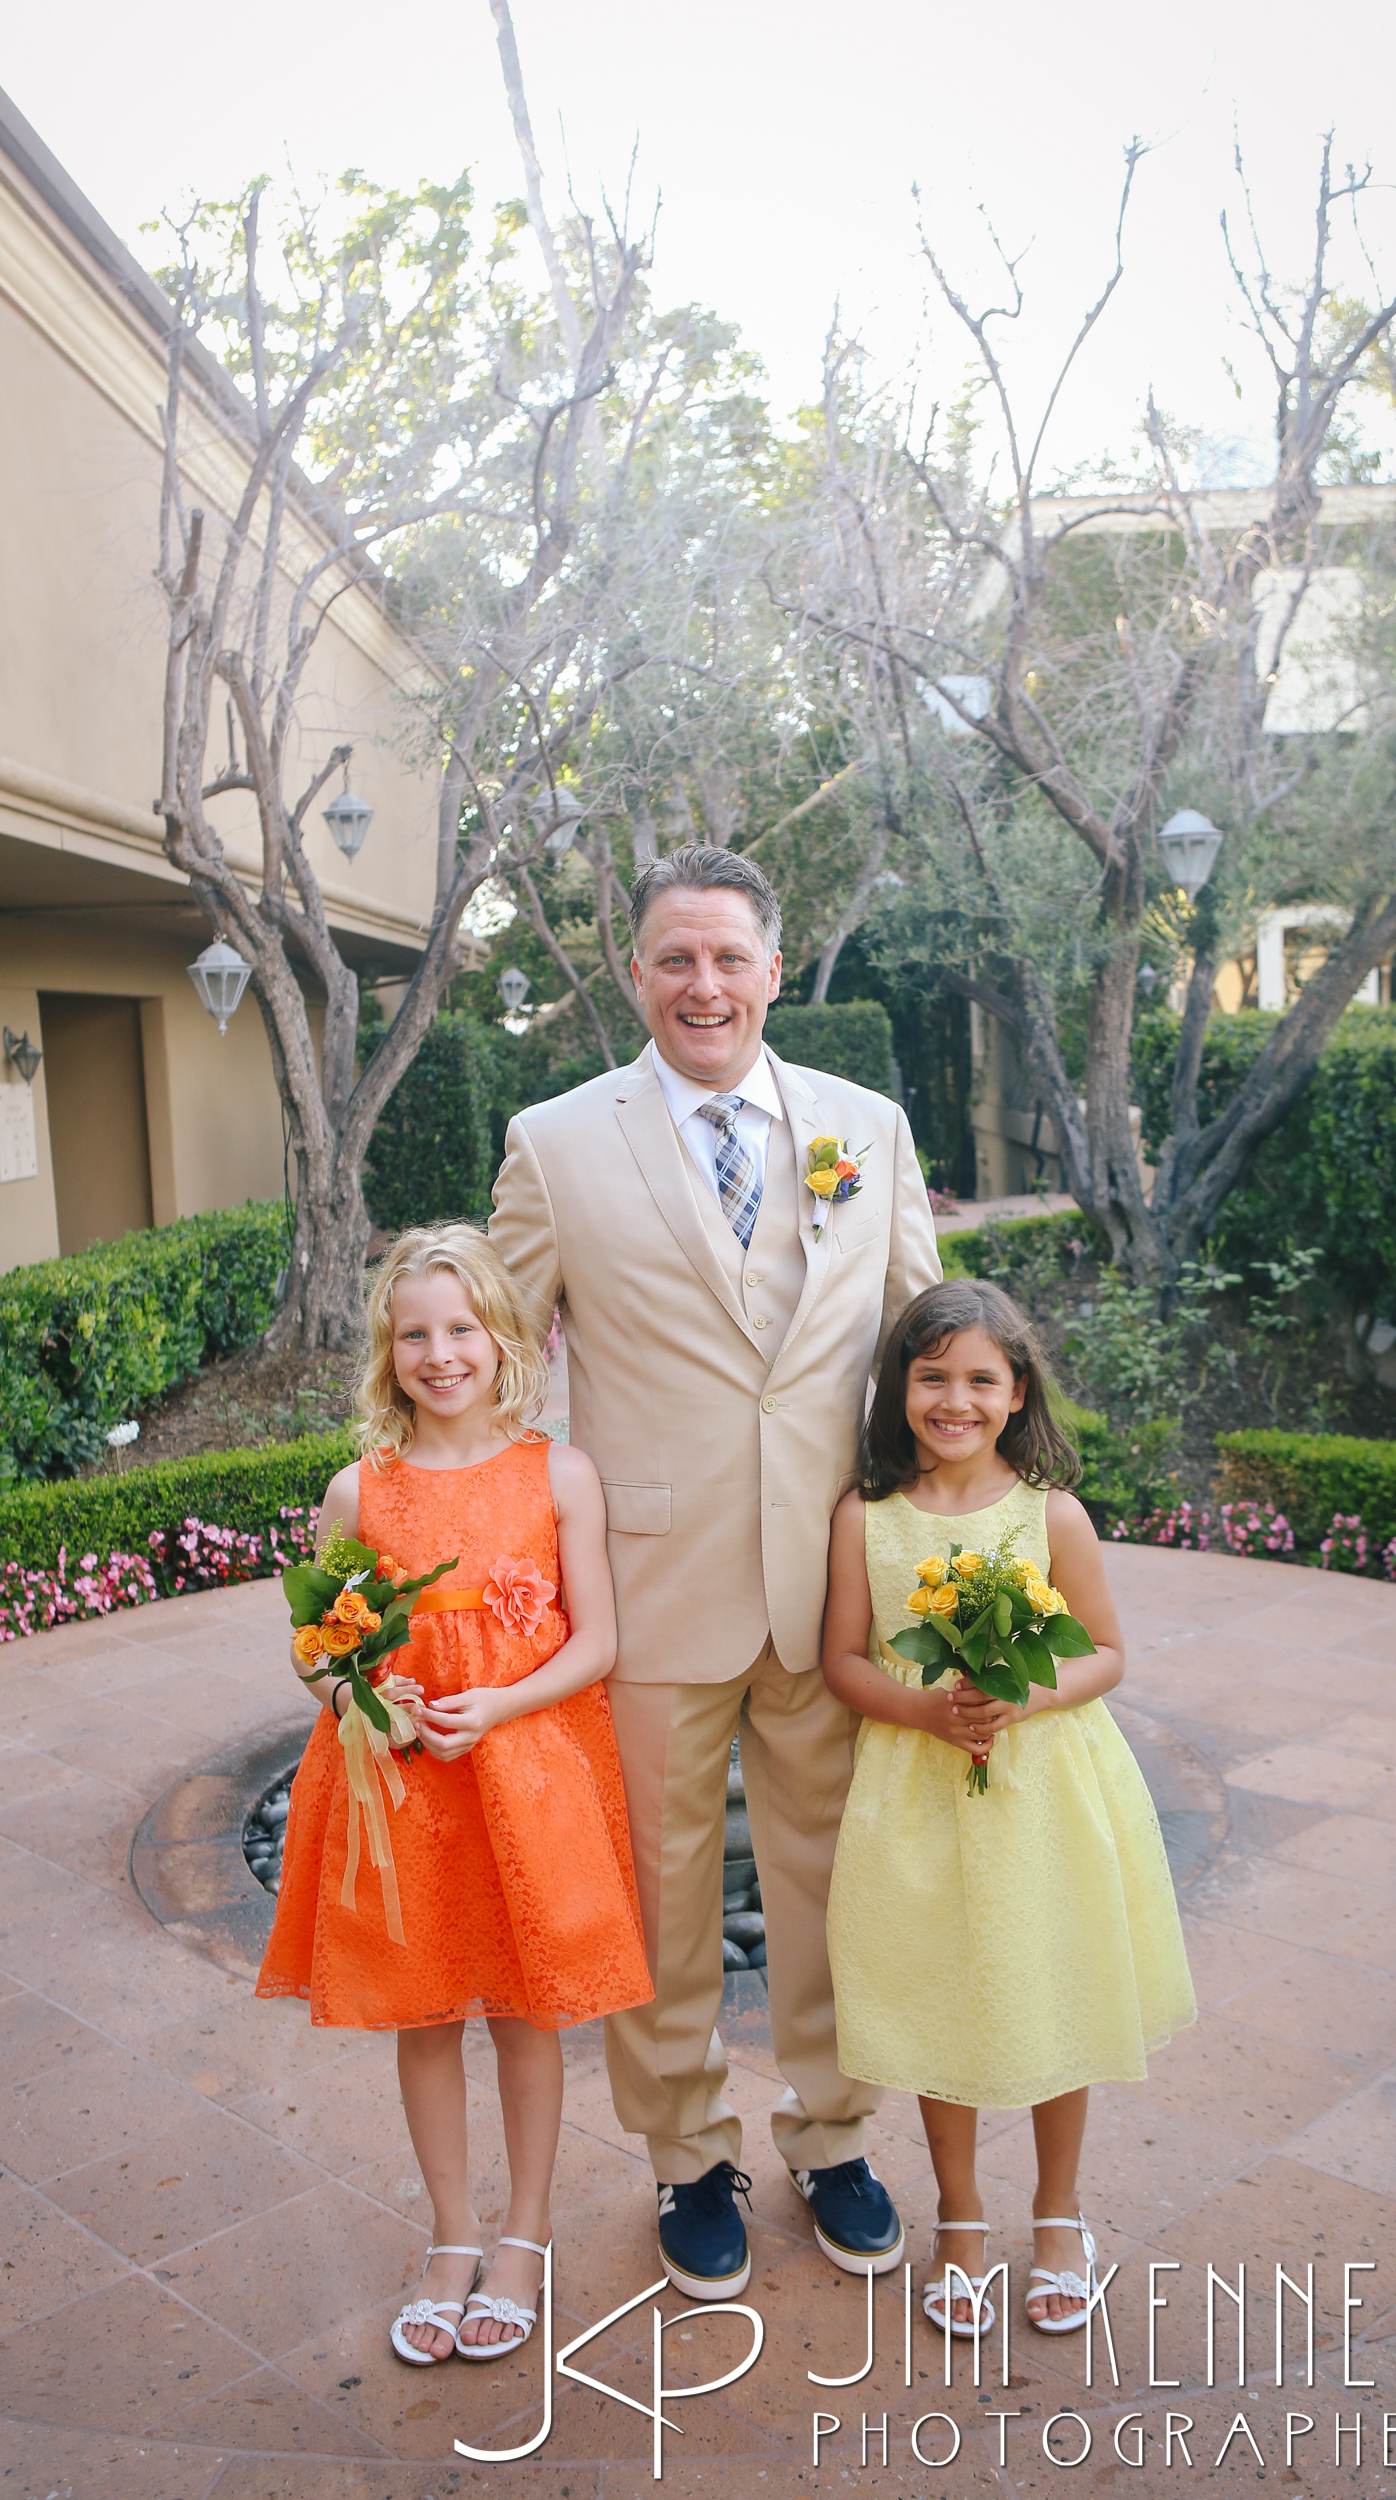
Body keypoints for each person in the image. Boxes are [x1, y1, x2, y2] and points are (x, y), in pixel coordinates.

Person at [489, 843, 941, 2300]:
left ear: (771, 968)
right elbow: (497, 1367)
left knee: (834, 1884)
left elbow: (923, 1341)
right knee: (660, 1894)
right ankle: (684, 2154)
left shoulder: (865, 1127)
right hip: (645, 1589)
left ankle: (831, 2133)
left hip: (832, 1588)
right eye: (674, 958)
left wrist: (956, 1546)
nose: (703, 984)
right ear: (634, 972)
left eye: (728, 957)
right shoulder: (555, 1141)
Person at [257, 1225, 651, 2367]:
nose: (440, 1355)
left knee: (524, 2011)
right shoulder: (358, 1490)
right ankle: (451, 2234)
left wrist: (502, 1704)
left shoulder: (557, 1475)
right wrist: (356, 1699)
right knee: (425, 2015)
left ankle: (523, 2233)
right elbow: (314, 1647)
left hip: (520, 1776)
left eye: (461, 1329)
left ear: (504, 1337)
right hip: (406, 1792)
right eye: (414, 1334)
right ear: (387, 1350)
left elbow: (597, 1641)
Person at [822, 1277, 1195, 2339]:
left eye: (980, 1379)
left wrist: (1022, 1696)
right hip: (917, 1794)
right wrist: (921, 1709)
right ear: (898, 1388)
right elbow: (841, 1659)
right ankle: (960, 2218)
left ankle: (1058, 2213)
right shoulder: (866, 1516)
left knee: (1050, 1992)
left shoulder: (1049, 1513)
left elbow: (1106, 1652)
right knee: (940, 1996)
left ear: (1017, 1389)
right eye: (930, 1377)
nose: (955, 1401)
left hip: (1040, 1795)